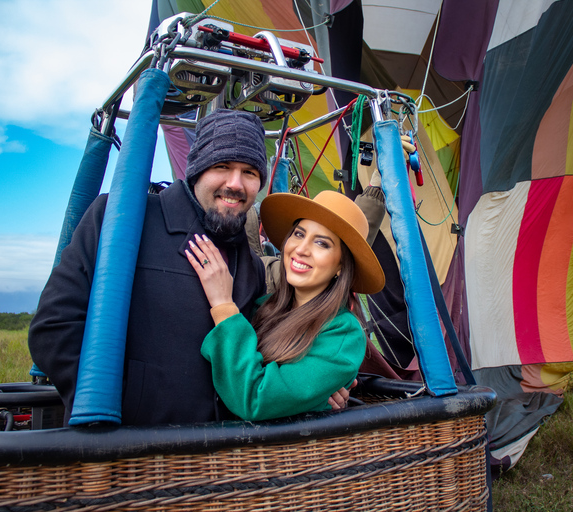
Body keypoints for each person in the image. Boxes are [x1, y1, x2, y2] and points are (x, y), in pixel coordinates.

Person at [28, 108, 387, 426]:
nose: (235, 183)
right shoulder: (123, 219)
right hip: (129, 445)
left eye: (249, 171)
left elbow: (268, 365)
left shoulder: (248, 266)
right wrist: (115, 407)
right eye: (222, 166)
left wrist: (314, 392)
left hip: (220, 462)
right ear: (197, 170)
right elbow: (54, 327)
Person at [186, 191, 385, 420]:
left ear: (341, 265)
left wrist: (222, 305)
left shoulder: (343, 333)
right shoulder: (263, 306)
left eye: (322, 243)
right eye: (299, 234)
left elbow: (255, 399)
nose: (301, 249)